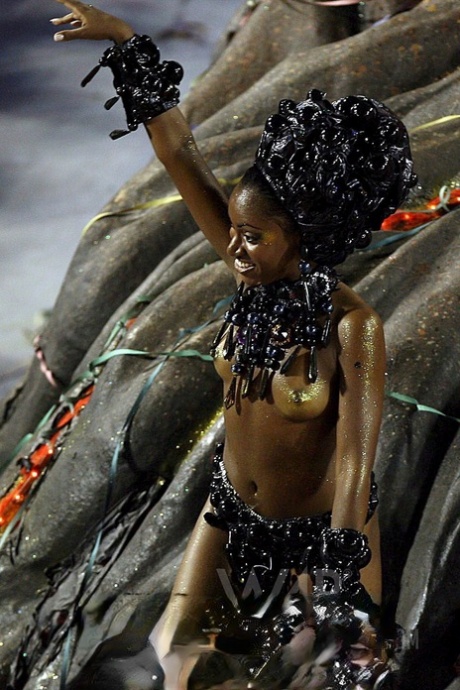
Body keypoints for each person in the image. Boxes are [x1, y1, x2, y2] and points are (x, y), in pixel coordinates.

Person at [50, 2, 416, 688]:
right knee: (167, 661)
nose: (236, 250)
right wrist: (127, 42)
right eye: (236, 234)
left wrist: (335, 583)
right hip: (230, 513)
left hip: (322, 541)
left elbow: (353, 465)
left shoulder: (352, 326)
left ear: (303, 238)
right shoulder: (251, 275)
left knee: (342, 672)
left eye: (254, 237)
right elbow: (179, 151)